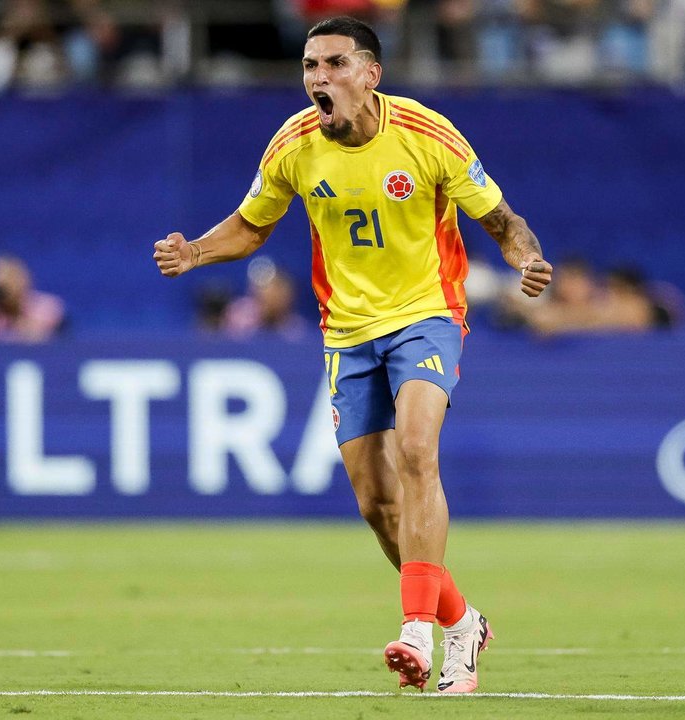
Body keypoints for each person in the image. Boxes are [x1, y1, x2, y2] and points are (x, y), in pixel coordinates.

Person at [153, 16, 552, 694]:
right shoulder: (295, 144)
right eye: (309, 66)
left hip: (426, 314)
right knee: (376, 504)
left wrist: (526, 258)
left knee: (418, 450)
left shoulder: (426, 135)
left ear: (370, 74)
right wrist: (195, 251)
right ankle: (462, 622)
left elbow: (499, 219)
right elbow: (252, 225)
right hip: (346, 333)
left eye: (334, 64)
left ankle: (417, 633)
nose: (317, 79)